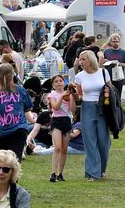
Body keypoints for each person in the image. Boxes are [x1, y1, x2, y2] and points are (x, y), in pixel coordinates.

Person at [72, 50, 112, 180]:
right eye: (80, 59)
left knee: (103, 141)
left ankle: (101, 169)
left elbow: (111, 91)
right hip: (87, 107)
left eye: (83, 59)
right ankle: (92, 172)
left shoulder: (103, 72)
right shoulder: (79, 76)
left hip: (102, 108)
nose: (81, 62)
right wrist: (73, 94)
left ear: (90, 59)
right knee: (89, 140)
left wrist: (107, 100)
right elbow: (79, 97)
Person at [0, 63, 33, 159]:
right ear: (13, 75)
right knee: (14, 161)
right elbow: (28, 107)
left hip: (0, 130)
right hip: (19, 128)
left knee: (3, 161)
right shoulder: (21, 90)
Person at [44, 75, 75, 182]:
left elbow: (72, 109)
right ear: (53, 84)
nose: (58, 83)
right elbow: (55, 107)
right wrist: (62, 97)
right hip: (56, 121)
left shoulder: (68, 94)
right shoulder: (52, 95)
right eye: (56, 81)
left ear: (64, 82)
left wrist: (72, 97)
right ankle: (53, 172)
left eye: (60, 81)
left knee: (64, 149)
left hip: (66, 121)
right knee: (57, 147)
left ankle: (60, 173)